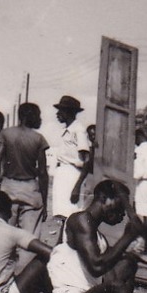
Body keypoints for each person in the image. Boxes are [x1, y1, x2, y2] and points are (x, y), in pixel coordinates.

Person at [0, 103, 50, 236]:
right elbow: (42, 172)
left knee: (4, 234)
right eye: (38, 116)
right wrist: (45, 202)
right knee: (30, 237)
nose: (40, 119)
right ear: (29, 116)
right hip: (30, 189)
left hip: (8, 187)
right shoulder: (38, 139)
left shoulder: (6, 134)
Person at [50, 95, 90, 232]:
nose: (57, 114)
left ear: (69, 112)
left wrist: (77, 186)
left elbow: (86, 161)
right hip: (62, 175)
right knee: (63, 216)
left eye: (60, 111)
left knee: (72, 215)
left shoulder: (79, 130)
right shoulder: (65, 131)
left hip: (72, 176)